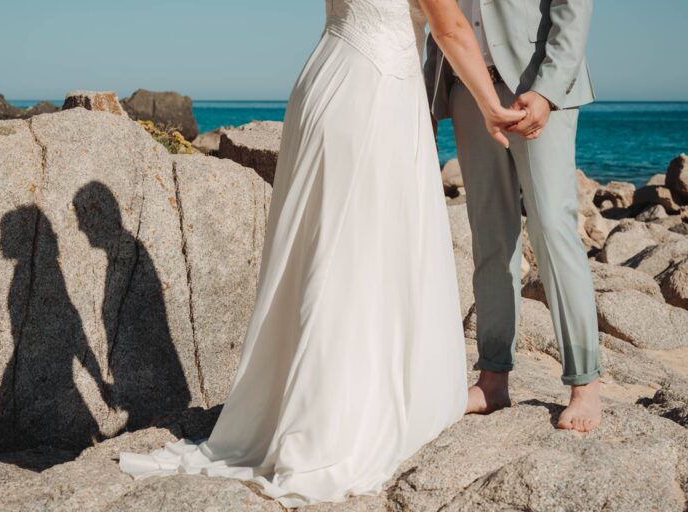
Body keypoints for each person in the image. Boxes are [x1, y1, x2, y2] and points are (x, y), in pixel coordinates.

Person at [119, 0, 524, 506]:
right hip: (375, 95)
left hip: (327, 79)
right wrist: (493, 107)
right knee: (363, 254)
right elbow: (450, 26)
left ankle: (307, 401)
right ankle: (336, 417)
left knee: (326, 250)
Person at [425, 0, 603, 432]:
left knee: (552, 229)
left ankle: (585, 384)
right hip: (466, 83)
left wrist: (547, 89)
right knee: (489, 234)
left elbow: (572, 8)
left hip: (538, 83)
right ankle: (492, 379)